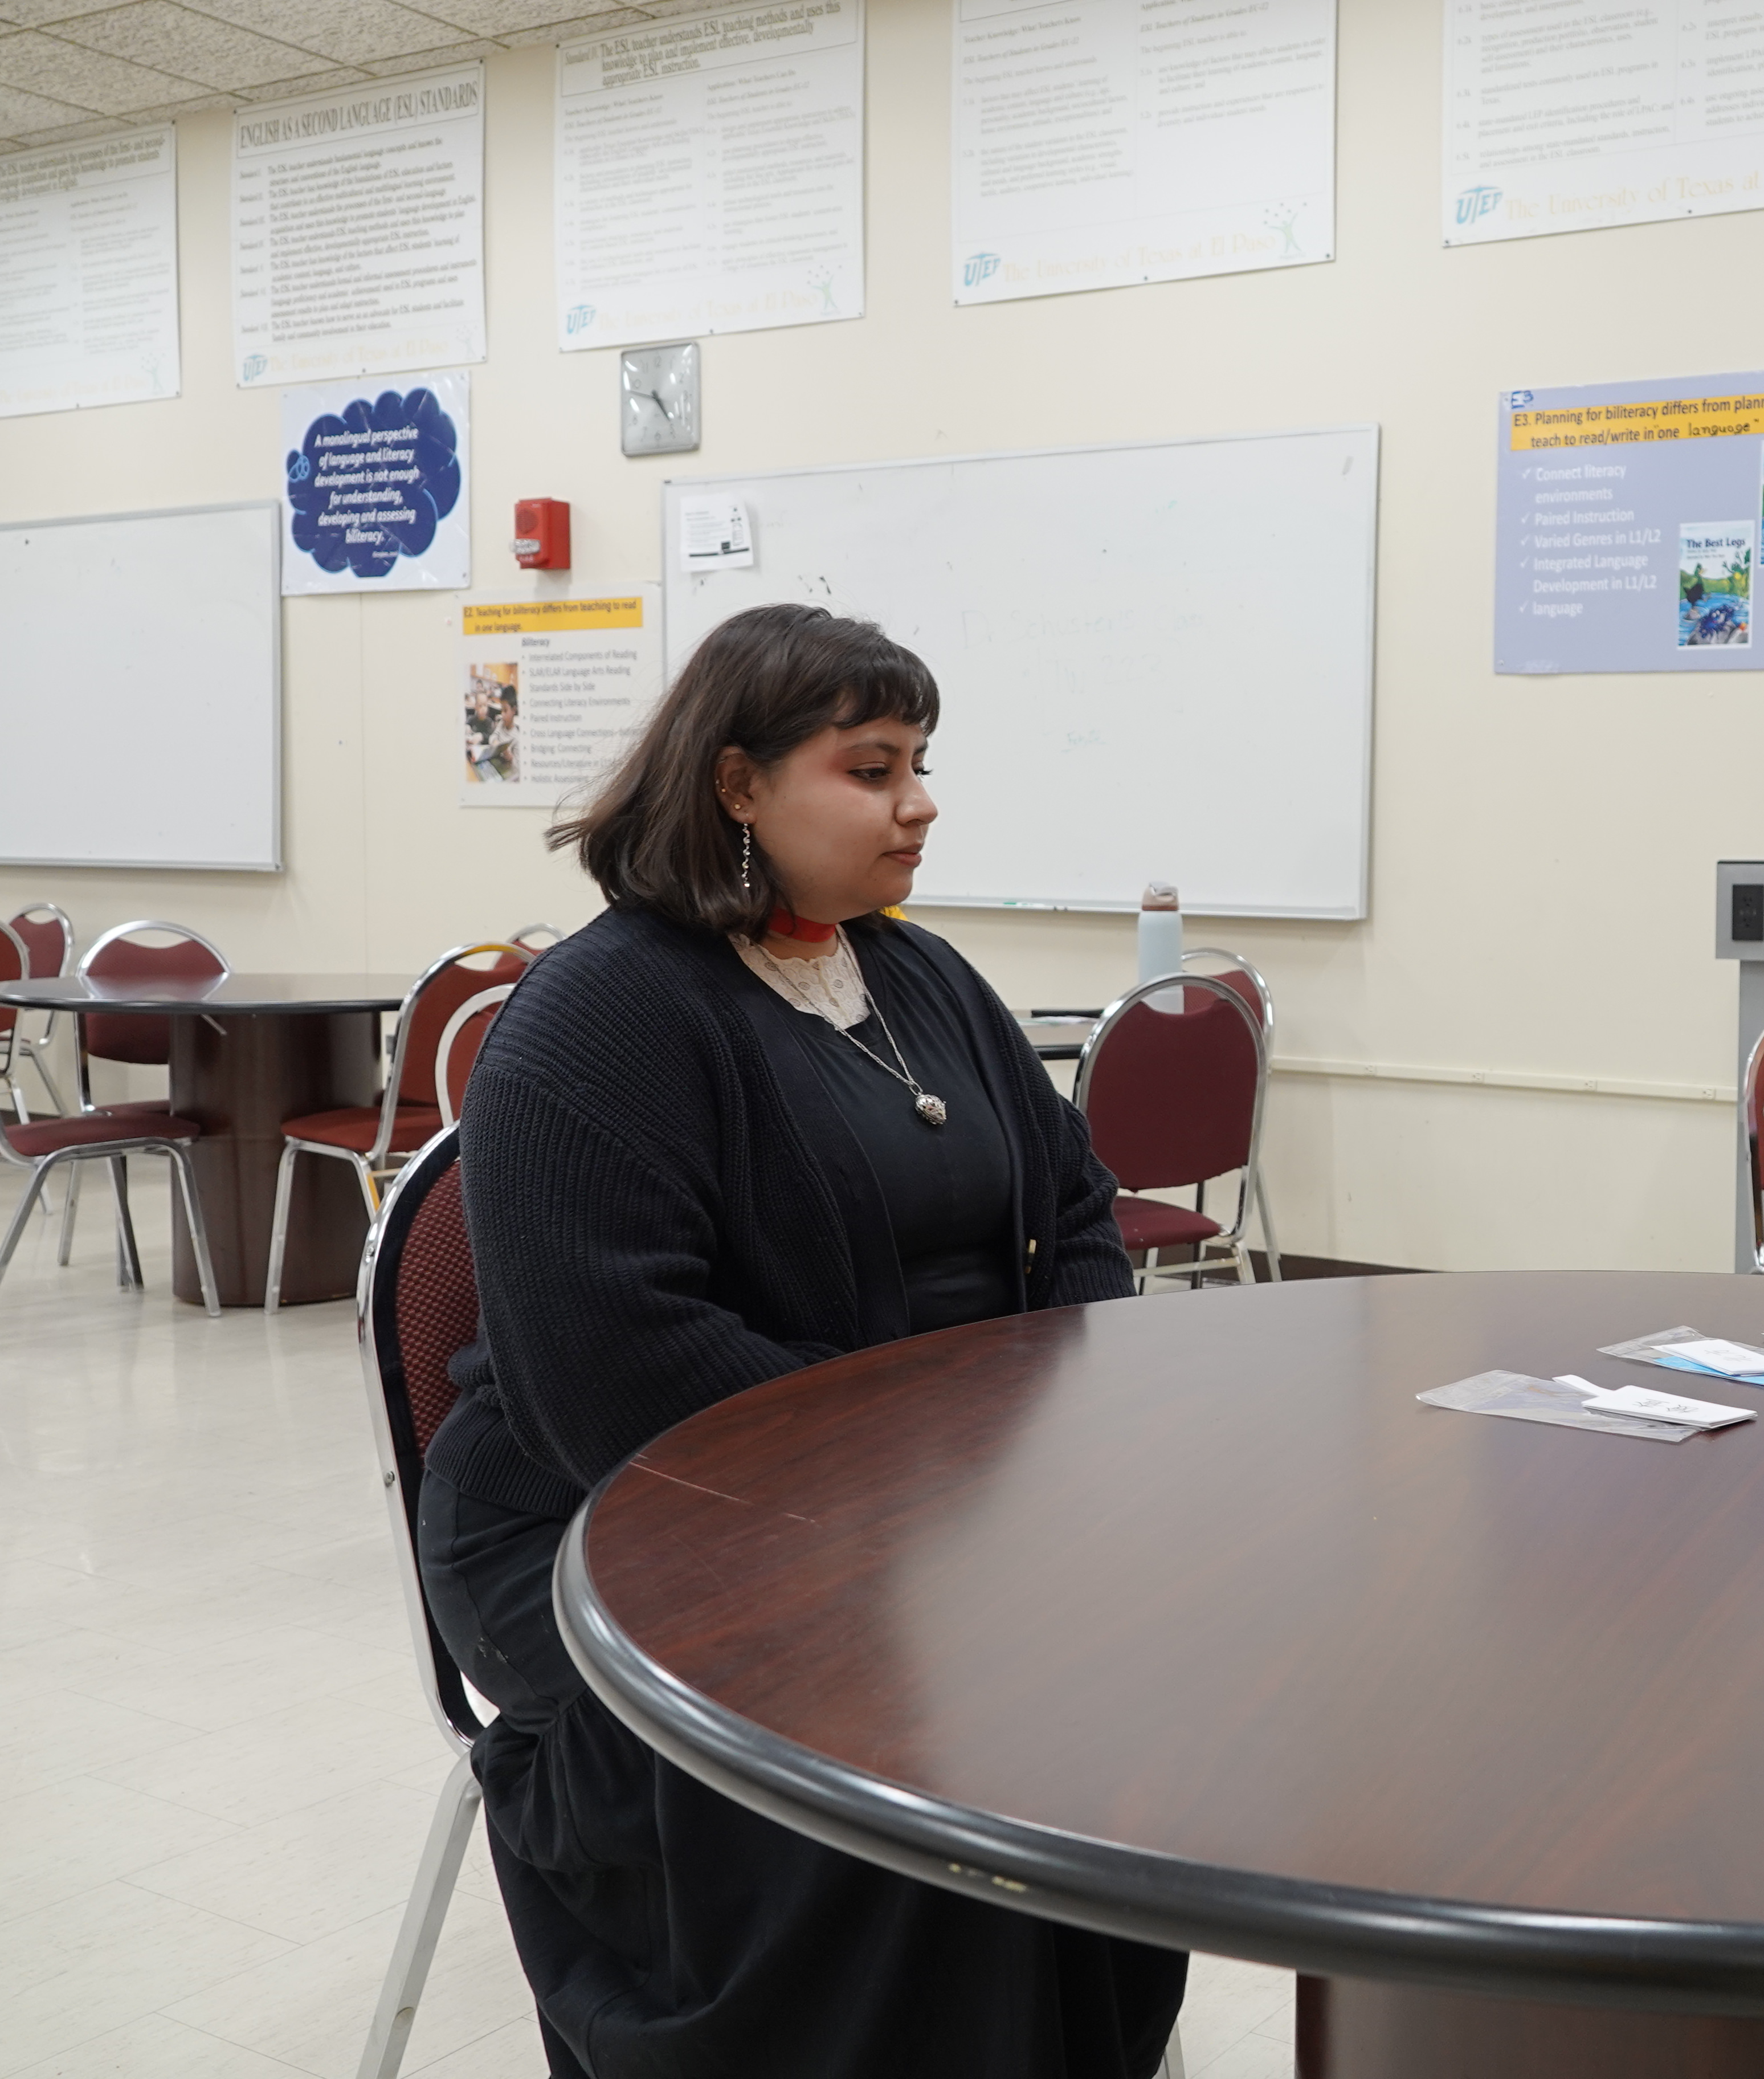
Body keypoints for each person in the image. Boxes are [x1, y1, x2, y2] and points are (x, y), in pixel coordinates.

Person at [418, 604, 1185, 2078]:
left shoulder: (918, 974)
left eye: (922, 765)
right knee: (915, 1758)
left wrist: (1036, 1440)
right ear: (738, 785)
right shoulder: (602, 1015)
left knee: (1121, 1683)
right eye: (872, 769)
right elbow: (618, 1374)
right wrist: (937, 1488)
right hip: (620, 1518)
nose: (920, 804)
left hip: (918, 1500)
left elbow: (1076, 1207)